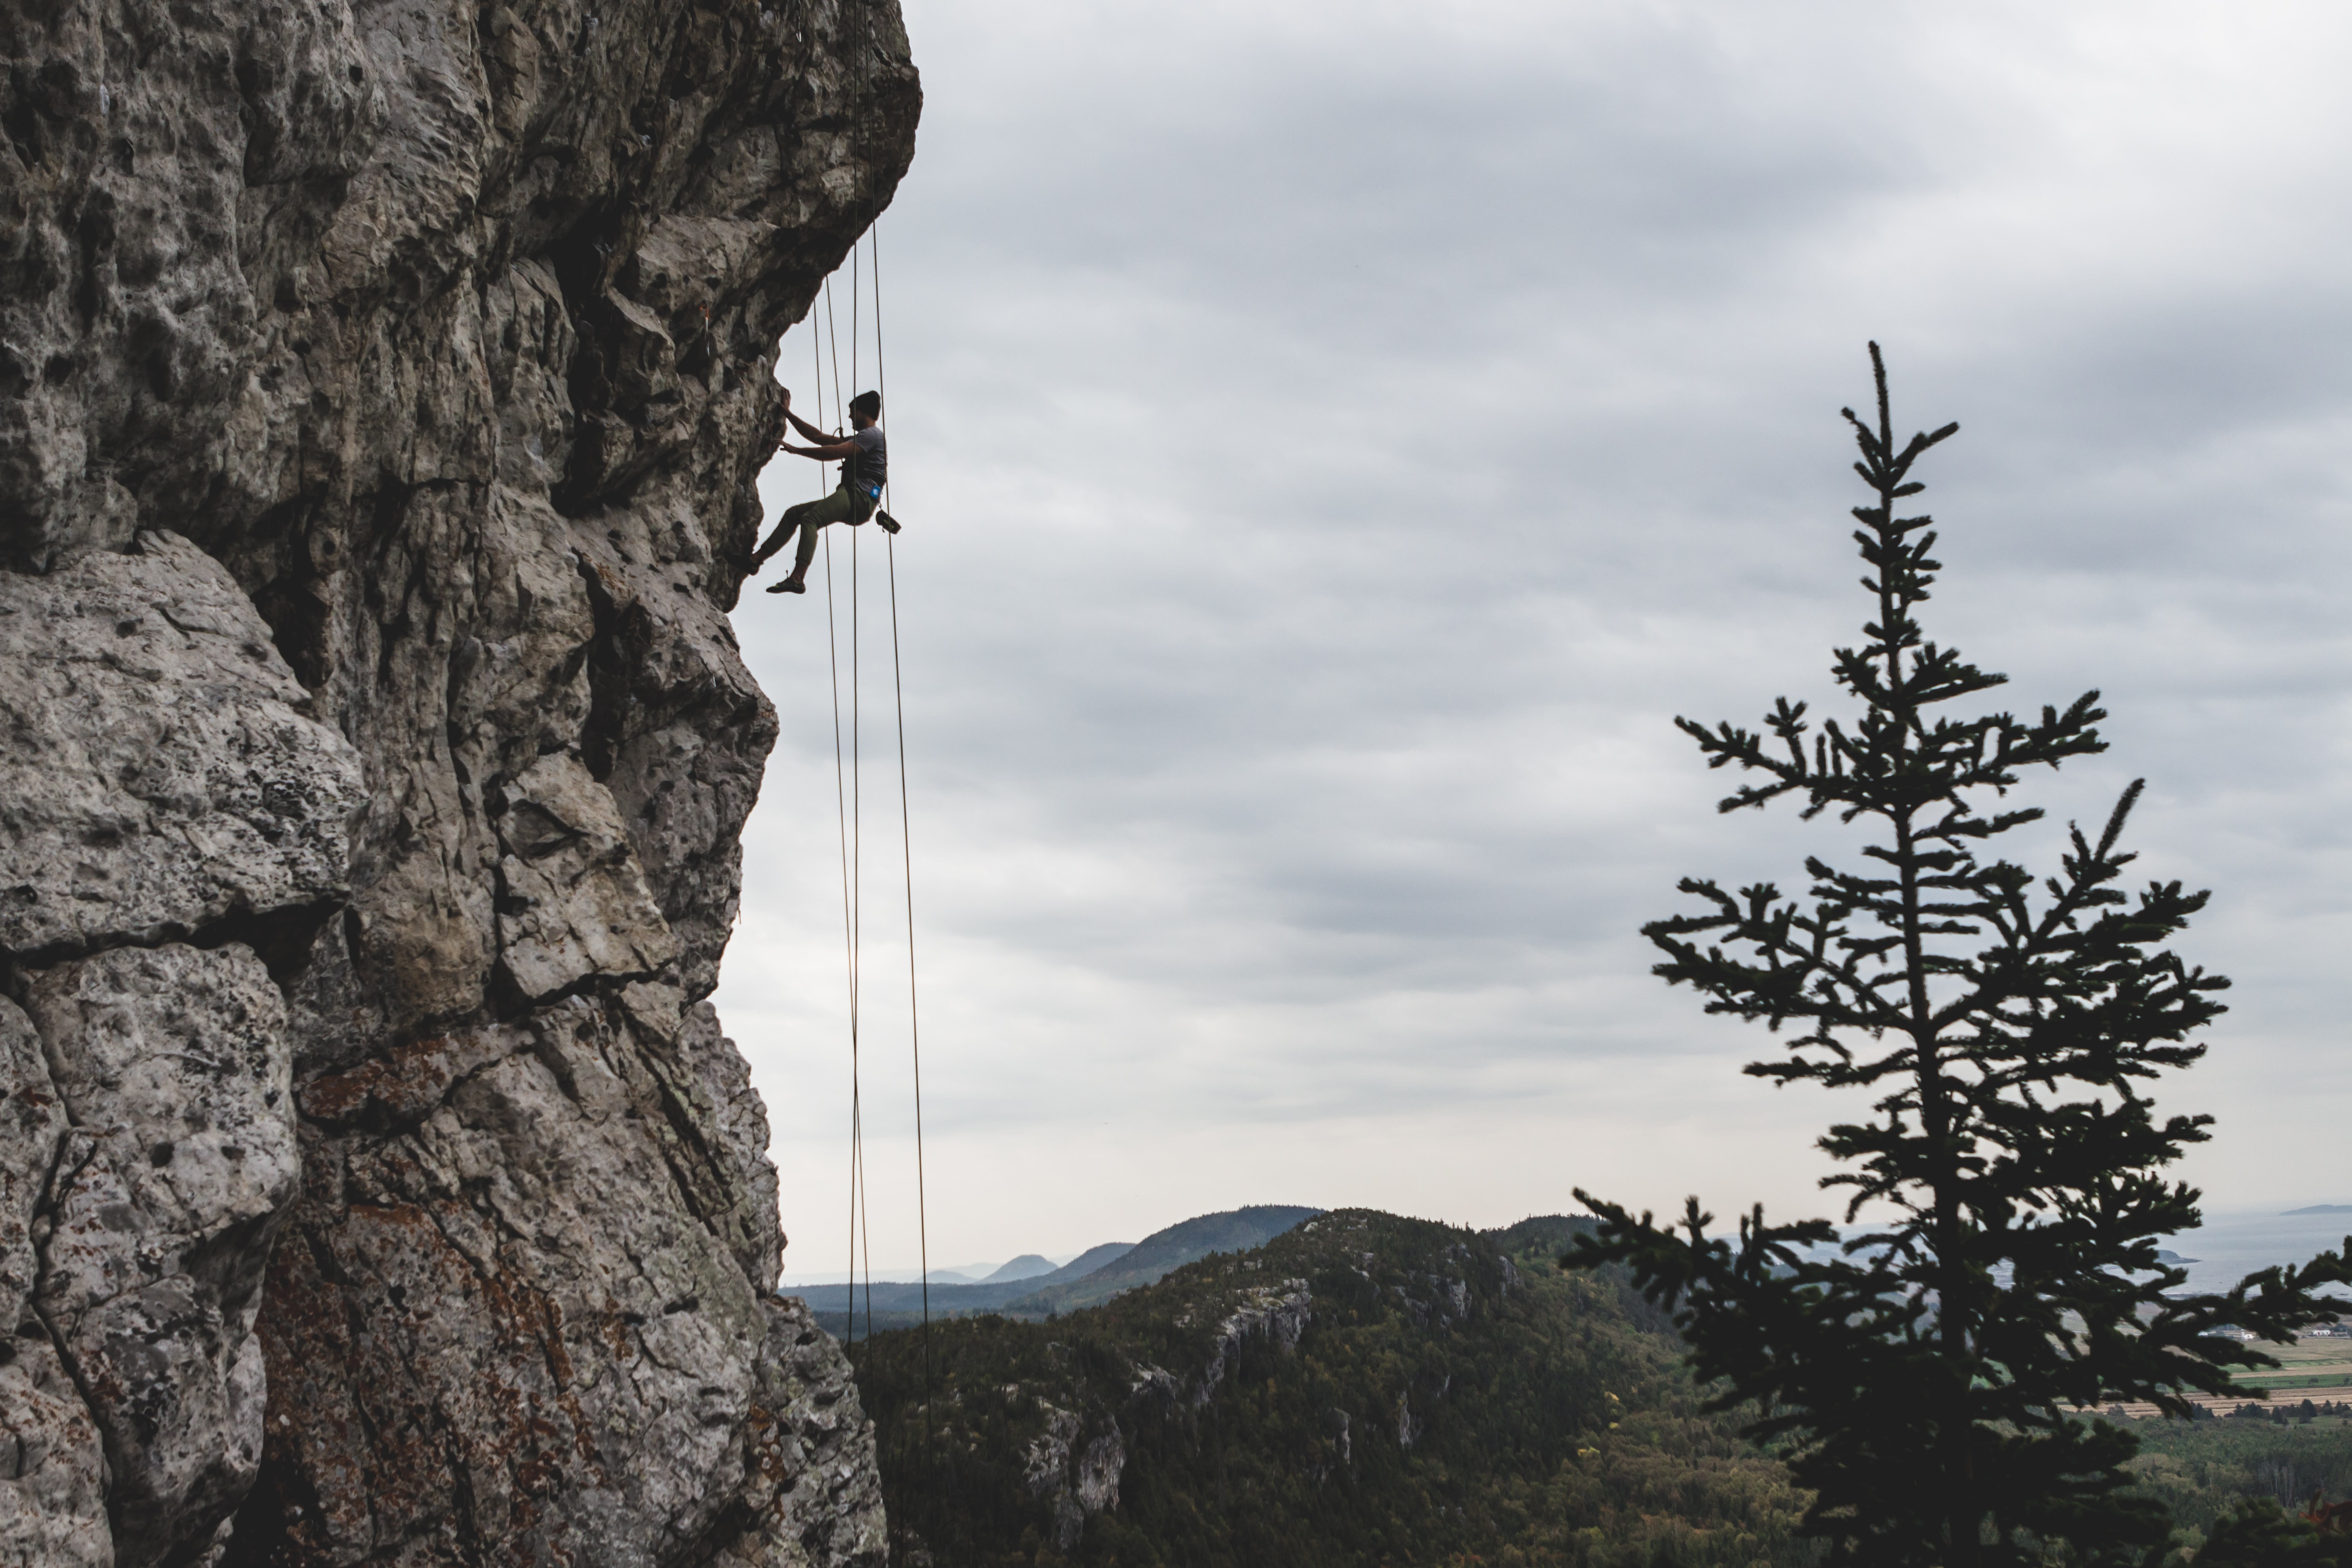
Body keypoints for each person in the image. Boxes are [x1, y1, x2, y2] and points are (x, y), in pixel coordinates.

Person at [750, 388, 887, 595]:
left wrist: (797, 450)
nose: (850, 416)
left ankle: (797, 579)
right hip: (855, 496)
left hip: (860, 497)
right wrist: (787, 414)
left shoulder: (872, 436)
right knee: (794, 514)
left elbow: (833, 452)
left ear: (864, 412)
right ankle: (755, 560)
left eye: (853, 411)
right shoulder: (863, 438)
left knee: (810, 519)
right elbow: (817, 437)